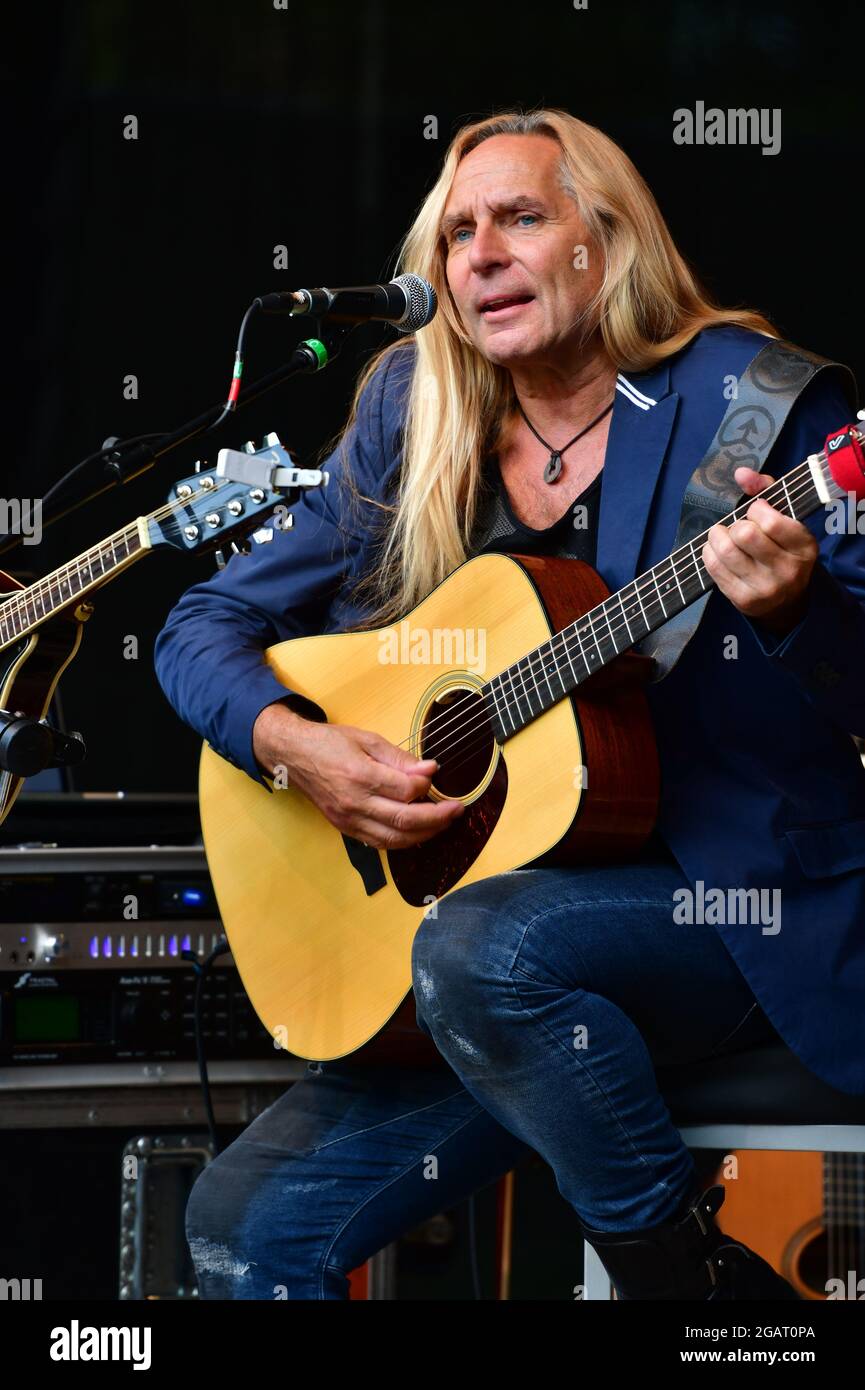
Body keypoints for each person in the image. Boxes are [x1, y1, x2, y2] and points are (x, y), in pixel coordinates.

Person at [154, 108, 865, 1301]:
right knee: (243, 1221)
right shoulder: (414, 414)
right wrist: (298, 748)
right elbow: (196, 628)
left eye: (521, 218)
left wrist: (794, 613)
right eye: (456, 232)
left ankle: (682, 1283)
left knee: (487, 946)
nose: (479, 253)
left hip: (737, 912)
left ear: (607, 239)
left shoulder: (760, 406)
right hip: (466, 952)